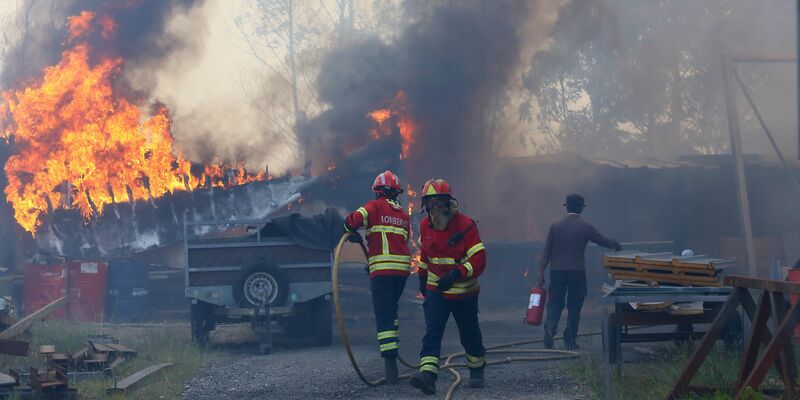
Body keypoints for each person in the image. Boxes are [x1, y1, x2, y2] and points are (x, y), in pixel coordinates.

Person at [409, 178, 487, 395]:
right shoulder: (425, 224)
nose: (434, 208)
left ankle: (477, 369)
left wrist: (456, 274)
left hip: (464, 292)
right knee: (433, 332)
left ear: (449, 203)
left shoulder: (466, 225)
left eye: (438, 202)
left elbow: (479, 259)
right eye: (430, 203)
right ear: (425, 205)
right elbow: (425, 253)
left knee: (469, 332)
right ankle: (428, 377)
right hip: (437, 290)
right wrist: (423, 277)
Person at [344, 170, 411, 384]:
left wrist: (350, 230)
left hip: (383, 271)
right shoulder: (402, 214)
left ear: (377, 191)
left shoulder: (373, 207)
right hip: (401, 271)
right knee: (391, 309)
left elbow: (353, 220)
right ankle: (395, 349)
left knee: (384, 314)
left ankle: (390, 366)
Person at [536, 194, 621, 350]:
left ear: (567, 207)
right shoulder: (585, 227)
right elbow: (602, 240)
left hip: (556, 271)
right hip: (577, 271)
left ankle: (550, 326)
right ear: (581, 208)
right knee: (575, 306)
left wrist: (540, 273)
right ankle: (570, 340)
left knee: (555, 302)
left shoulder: (555, 226)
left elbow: (546, 252)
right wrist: (615, 245)